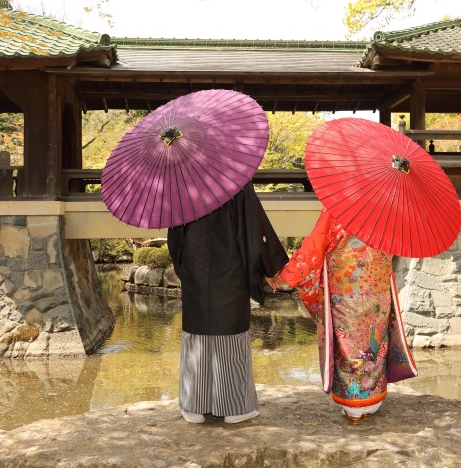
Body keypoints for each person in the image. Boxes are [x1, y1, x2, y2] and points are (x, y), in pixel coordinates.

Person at [271, 208, 417, 424]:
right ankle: (370, 404)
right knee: (374, 347)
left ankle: (353, 407)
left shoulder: (339, 206)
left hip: (346, 289)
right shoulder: (389, 209)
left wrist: (286, 275)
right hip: (378, 290)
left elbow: (315, 244)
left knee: (349, 347)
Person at [167, 181, 288, 424]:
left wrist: (185, 269)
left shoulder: (183, 181)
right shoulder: (236, 180)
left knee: (197, 331)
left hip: (195, 267)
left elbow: (175, 237)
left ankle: (194, 406)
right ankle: (234, 408)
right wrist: (267, 267)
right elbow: (254, 229)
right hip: (231, 268)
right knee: (230, 333)